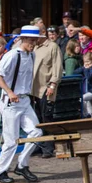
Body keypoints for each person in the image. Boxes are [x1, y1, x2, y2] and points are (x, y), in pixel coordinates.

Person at [0, 25, 44, 183]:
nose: (33, 43)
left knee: (36, 133)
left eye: (35, 41)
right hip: (11, 102)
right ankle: (0, 172)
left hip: (24, 100)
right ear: (23, 39)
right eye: (31, 40)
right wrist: (9, 91)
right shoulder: (13, 55)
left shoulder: (32, 55)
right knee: (11, 140)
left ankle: (21, 165)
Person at [32, 24, 62, 158]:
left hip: (46, 88)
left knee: (47, 118)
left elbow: (57, 68)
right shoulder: (35, 47)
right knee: (36, 119)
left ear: (43, 33)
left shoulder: (52, 47)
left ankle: (49, 148)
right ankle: (39, 145)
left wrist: (53, 85)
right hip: (33, 89)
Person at [74, 52, 92, 118]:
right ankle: (89, 115)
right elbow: (75, 72)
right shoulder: (85, 67)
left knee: (82, 99)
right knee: (87, 102)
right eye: (85, 62)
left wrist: (86, 69)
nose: (86, 63)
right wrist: (83, 68)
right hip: (85, 90)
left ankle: (88, 114)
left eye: (88, 61)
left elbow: (89, 76)